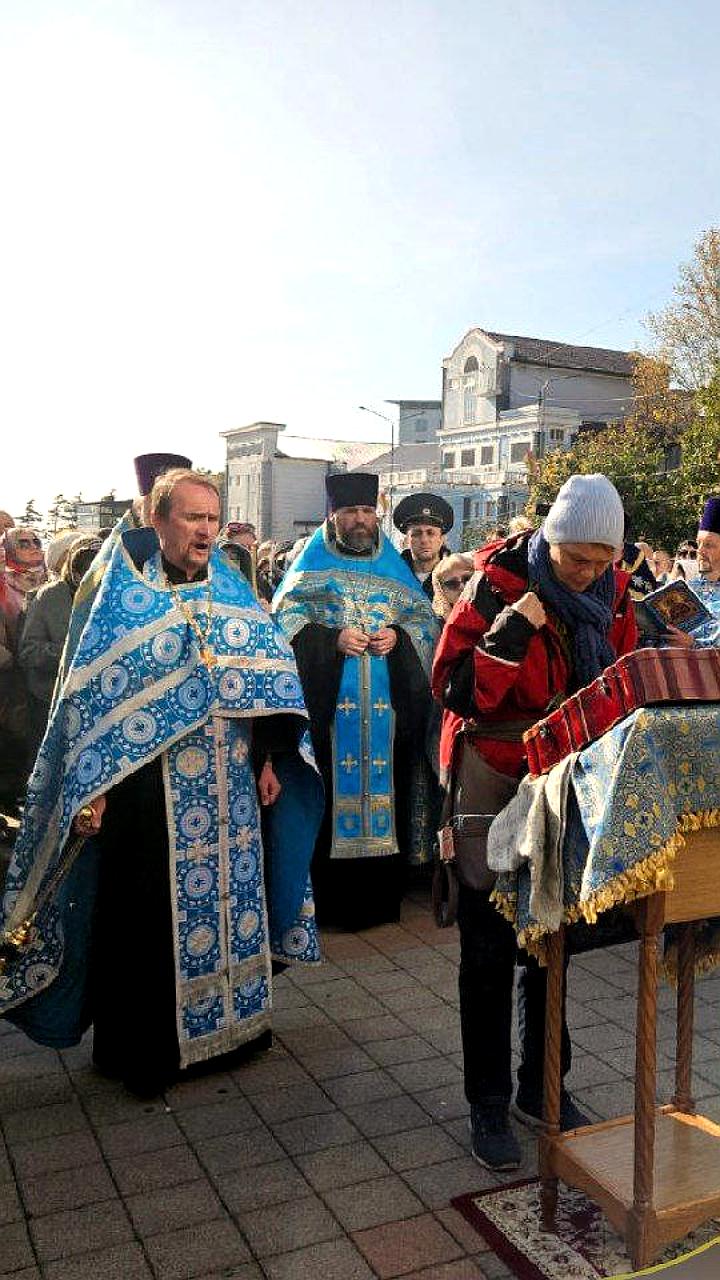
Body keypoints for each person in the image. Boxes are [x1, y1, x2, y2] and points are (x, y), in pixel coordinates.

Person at [0, 469, 324, 1096]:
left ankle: (237, 1031)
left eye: (212, 517)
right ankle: (147, 1050)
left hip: (230, 788)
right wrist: (91, 786)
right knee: (144, 921)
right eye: (192, 518)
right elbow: (87, 702)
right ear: (158, 520)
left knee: (235, 905)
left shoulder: (234, 594)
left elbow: (271, 684)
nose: (205, 530)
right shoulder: (123, 602)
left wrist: (267, 759)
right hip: (149, 795)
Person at [432, 473, 638, 1172]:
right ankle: (487, 1104)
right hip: (495, 774)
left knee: (553, 945)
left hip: (569, 779)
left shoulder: (614, 594)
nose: (587, 574)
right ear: (550, 541)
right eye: (575, 560)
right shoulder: (493, 584)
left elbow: (623, 678)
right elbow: (454, 689)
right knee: (488, 951)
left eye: (600, 562)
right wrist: (514, 628)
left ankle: (543, 1086)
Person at [273, 472, 440, 929]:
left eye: (367, 511)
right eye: (350, 512)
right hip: (328, 715)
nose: (360, 520)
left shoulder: (392, 565)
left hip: (388, 718)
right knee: (327, 795)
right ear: (333, 515)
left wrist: (399, 636)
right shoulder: (310, 564)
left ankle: (382, 899)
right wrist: (330, 640)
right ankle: (328, 903)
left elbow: (424, 623)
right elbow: (282, 624)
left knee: (389, 795)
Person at [18, 535, 101, 757]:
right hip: (51, 701)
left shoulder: (109, 595)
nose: (89, 572)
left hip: (95, 702)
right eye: (83, 564)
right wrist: (68, 652)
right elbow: (28, 651)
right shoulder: (48, 597)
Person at [394, 493, 454, 601]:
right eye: (416, 534)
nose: (424, 540)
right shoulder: (390, 577)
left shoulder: (457, 578)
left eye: (431, 533)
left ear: (442, 539)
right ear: (407, 540)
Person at [430, 553, 474, 622]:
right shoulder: (436, 627)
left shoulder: (495, 614)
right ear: (442, 591)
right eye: (452, 583)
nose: (462, 586)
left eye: (468, 579)